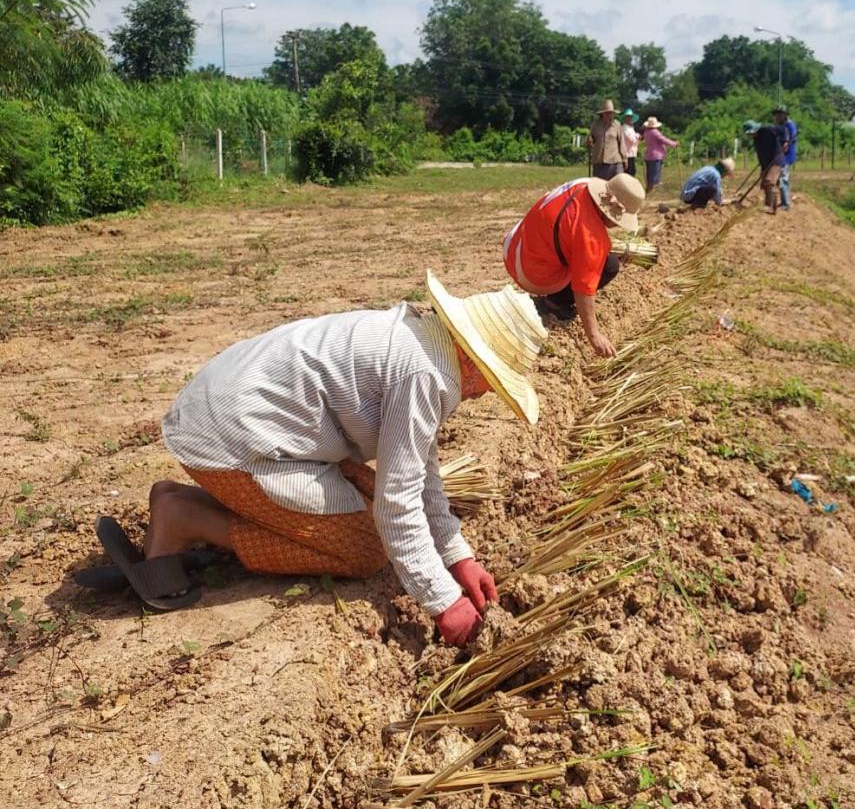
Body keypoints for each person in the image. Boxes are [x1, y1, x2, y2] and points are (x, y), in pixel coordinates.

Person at [94, 275, 547, 647]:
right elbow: (398, 503)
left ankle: (184, 501)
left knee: (368, 501)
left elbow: (419, 467)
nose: (485, 393)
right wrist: (444, 600)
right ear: (477, 363)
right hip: (229, 438)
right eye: (492, 383)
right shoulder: (429, 375)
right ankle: (185, 517)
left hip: (235, 417)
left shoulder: (424, 343)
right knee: (363, 549)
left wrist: (456, 555)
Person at [503, 173, 646, 358]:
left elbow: (572, 229)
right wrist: (594, 336)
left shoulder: (583, 184)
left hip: (515, 244)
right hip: (529, 273)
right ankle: (554, 301)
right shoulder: (592, 238)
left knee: (598, 257)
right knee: (609, 266)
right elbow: (584, 289)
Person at [743, 119, 787, 214]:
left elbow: (783, 130)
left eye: (750, 133)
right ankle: (768, 204)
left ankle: (773, 207)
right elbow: (761, 155)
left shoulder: (767, 130)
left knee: (769, 182)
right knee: (764, 183)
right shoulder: (756, 140)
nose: (750, 136)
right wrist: (763, 169)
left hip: (776, 160)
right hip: (767, 163)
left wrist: (786, 141)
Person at [588, 100, 626, 180]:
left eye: (611, 113)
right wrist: (590, 141)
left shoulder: (617, 125)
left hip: (615, 161)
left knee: (618, 184)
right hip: (599, 161)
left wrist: (624, 158)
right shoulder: (596, 125)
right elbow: (590, 139)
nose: (609, 115)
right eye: (607, 113)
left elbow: (622, 142)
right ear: (602, 114)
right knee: (600, 187)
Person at [641, 116, 680, 191]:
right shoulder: (655, 132)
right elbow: (664, 140)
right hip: (656, 156)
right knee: (655, 174)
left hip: (648, 155)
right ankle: (653, 189)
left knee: (650, 174)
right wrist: (674, 144)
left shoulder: (646, 133)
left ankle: (649, 188)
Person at [773, 105, 798, 210]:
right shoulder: (785, 125)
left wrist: (780, 151)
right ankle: (784, 201)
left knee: (783, 178)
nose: (776, 117)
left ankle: (786, 204)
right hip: (783, 155)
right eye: (776, 114)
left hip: (786, 156)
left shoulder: (788, 126)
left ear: (784, 115)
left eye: (779, 114)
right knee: (782, 178)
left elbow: (786, 144)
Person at [620, 109, 639, 178]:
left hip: (631, 152)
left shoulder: (630, 128)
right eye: (628, 117)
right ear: (625, 118)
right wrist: (637, 137)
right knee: (629, 171)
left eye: (631, 117)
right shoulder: (625, 128)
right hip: (627, 153)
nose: (630, 118)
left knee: (631, 170)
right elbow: (632, 140)